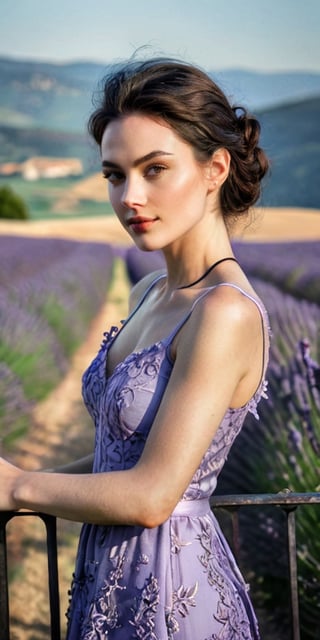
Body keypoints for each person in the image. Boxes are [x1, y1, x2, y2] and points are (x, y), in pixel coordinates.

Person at [0, 56, 270, 639]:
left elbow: (151, 495)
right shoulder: (151, 289)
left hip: (172, 600)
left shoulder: (223, 312)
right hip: (105, 584)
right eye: (115, 175)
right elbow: (116, 458)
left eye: (154, 169)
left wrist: (18, 488)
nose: (130, 196)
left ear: (214, 168)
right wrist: (20, 478)